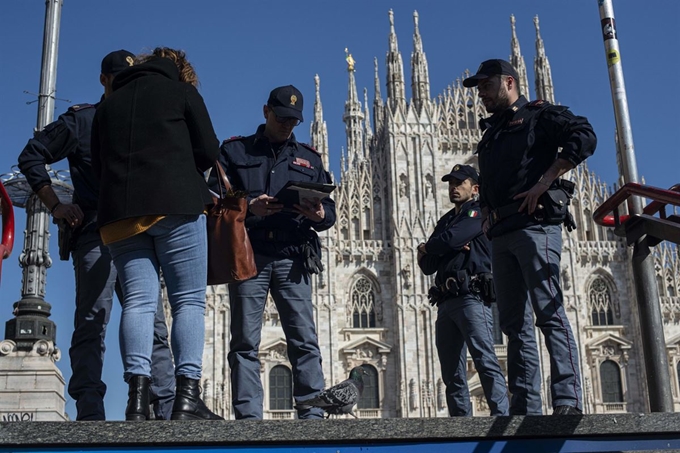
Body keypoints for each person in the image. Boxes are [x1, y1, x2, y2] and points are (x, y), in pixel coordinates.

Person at [17, 50, 175, 421]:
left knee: (153, 324)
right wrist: (56, 205)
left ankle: (166, 408)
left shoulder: (144, 121)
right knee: (93, 321)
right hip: (96, 235)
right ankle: (90, 410)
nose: (123, 86)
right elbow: (32, 156)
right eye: (118, 79)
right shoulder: (83, 121)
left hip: (139, 236)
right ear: (104, 80)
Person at [91, 47, 222, 421]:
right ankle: (186, 398)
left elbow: (99, 167)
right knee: (188, 302)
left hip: (120, 215)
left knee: (138, 302)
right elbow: (209, 151)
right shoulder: (182, 93)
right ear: (181, 71)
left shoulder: (108, 105)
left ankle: (136, 400)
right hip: (176, 205)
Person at [463, 59, 597, 415]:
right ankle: (526, 407)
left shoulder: (539, 115)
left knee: (548, 310)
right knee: (513, 324)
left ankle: (567, 399)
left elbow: (583, 136)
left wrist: (546, 180)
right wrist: (487, 215)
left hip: (536, 227)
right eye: (478, 90)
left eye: (486, 87)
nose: (482, 95)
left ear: (509, 82)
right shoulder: (490, 134)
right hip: (502, 234)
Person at [212, 85, 336, 419]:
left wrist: (321, 214)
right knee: (244, 341)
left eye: (293, 121)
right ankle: (249, 416)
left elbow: (331, 211)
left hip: (292, 254)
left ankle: (311, 411)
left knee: (304, 337)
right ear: (266, 111)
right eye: (281, 118)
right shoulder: (236, 152)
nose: (287, 125)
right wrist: (249, 207)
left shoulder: (309, 158)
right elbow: (215, 199)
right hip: (249, 254)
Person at [417, 164, 509, 417]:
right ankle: (461, 422)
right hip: (445, 302)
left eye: (460, 183)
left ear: (475, 188)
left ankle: (501, 417)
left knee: (484, 360)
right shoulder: (446, 220)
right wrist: (437, 247)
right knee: (451, 371)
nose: (454, 187)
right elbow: (427, 264)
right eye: (450, 183)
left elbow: (448, 241)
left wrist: (435, 245)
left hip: (472, 297)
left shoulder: (478, 212)